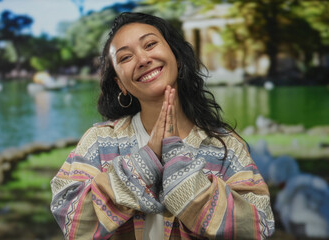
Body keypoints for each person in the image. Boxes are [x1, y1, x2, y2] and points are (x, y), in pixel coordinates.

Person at [50, 12, 275, 240]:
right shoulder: (99, 142)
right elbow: (73, 222)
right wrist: (145, 161)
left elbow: (259, 228)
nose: (143, 59)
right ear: (121, 84)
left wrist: (177, 163)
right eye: (125, 57)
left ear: (176, 56)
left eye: (150, 44)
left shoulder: (226, 146)